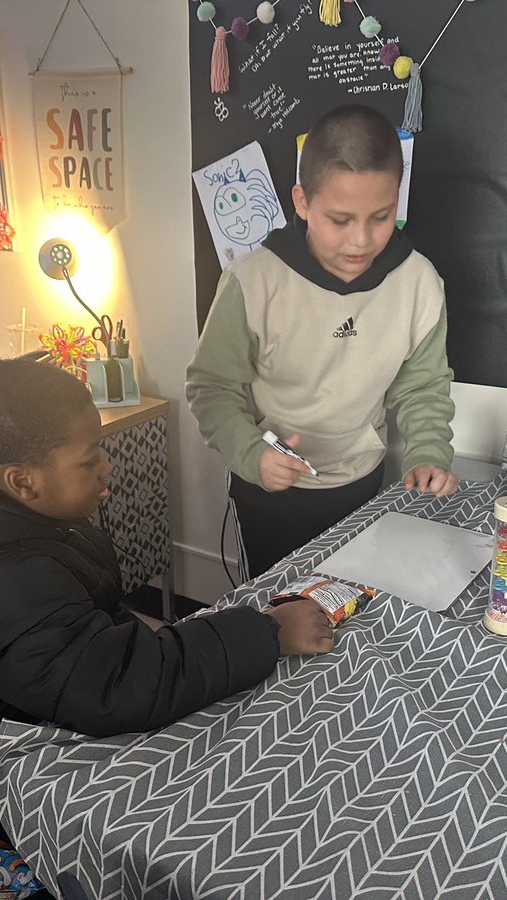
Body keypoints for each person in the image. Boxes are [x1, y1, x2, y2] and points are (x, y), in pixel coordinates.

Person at [0, 359, 333, 825]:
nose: (108, 468)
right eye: (89, 460)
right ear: (22, 481)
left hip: (47, 697)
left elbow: (84, 637)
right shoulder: (1, 581)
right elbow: (112, 688)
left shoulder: (9, 520)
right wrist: (267, 632)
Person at [186, 104, 458, 578]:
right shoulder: (253, 281)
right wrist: (252, 455)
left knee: (351, 617)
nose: (361, 240)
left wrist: (429, 451)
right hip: (271, 492)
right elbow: (211, 388)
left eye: (381, 216)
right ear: (302, 201)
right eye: (339, 219)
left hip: (360, 486)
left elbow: (422, 386)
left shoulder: (419, 282)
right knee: (280, 621)